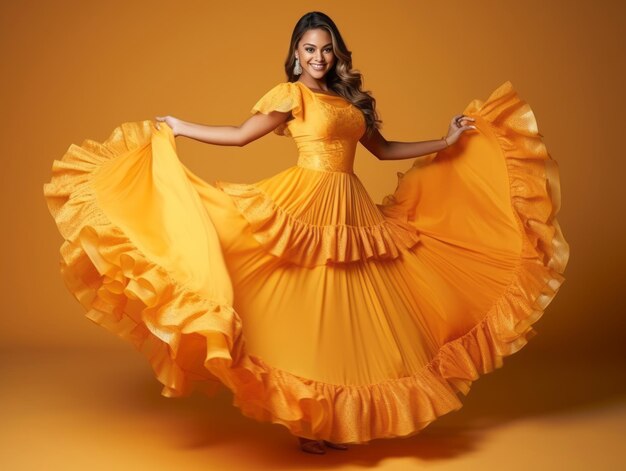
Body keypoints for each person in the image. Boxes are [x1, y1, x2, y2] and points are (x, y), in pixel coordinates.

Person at [44, 11, 569, 456]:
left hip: (351, 210)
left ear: (337, 55)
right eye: (309, 48)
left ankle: (330, 417)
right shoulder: (290, 95)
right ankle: (307, 419)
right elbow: (241, 137)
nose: (319, 56)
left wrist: (446, 140)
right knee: (302, 306)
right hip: (302, 202)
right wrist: (181, 126)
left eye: (327, 49)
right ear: (296, 53)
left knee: (344, 313)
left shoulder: (352, 103)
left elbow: (383, 152)